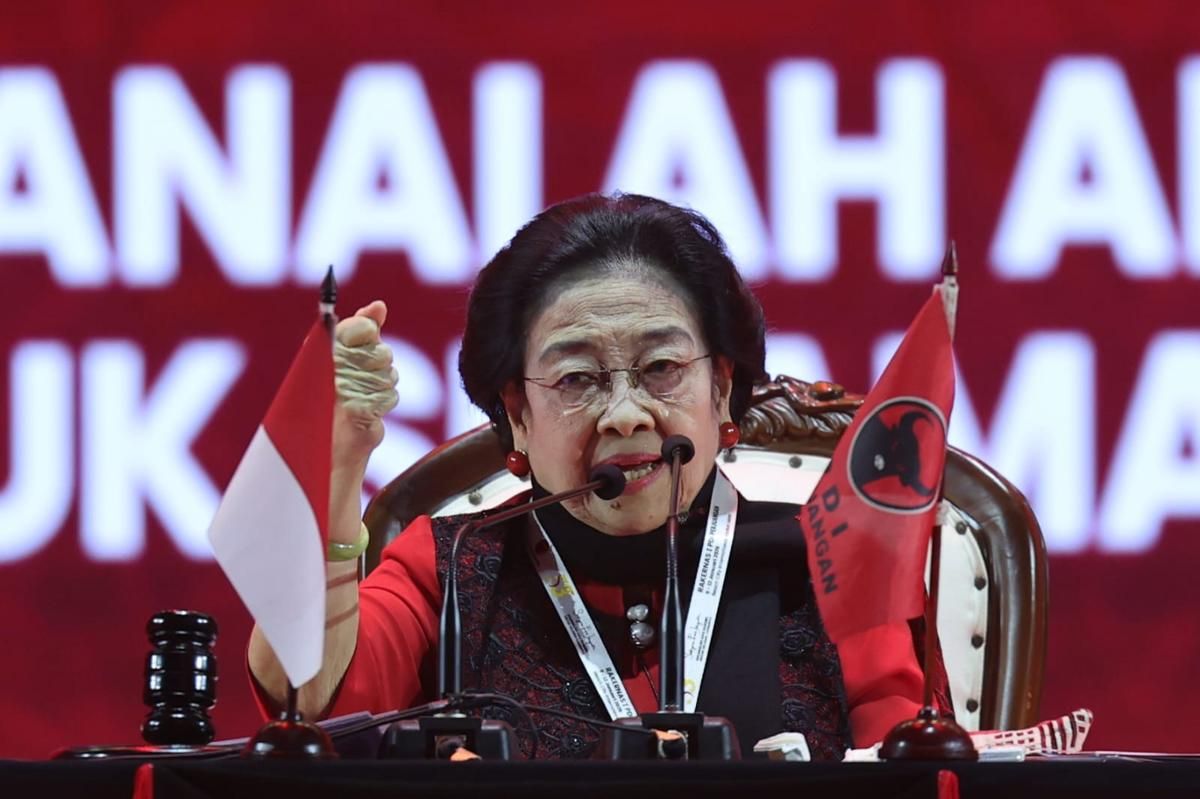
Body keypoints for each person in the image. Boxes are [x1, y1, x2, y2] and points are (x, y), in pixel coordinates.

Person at [248, 193, 947, 760]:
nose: (625, 414)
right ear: (518, 417)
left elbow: (912, 777)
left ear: (720, 389)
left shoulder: (836, 569)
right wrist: (336, 462)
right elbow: (305, 701)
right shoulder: (452, 567)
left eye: (661, 368)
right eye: (578, 377)